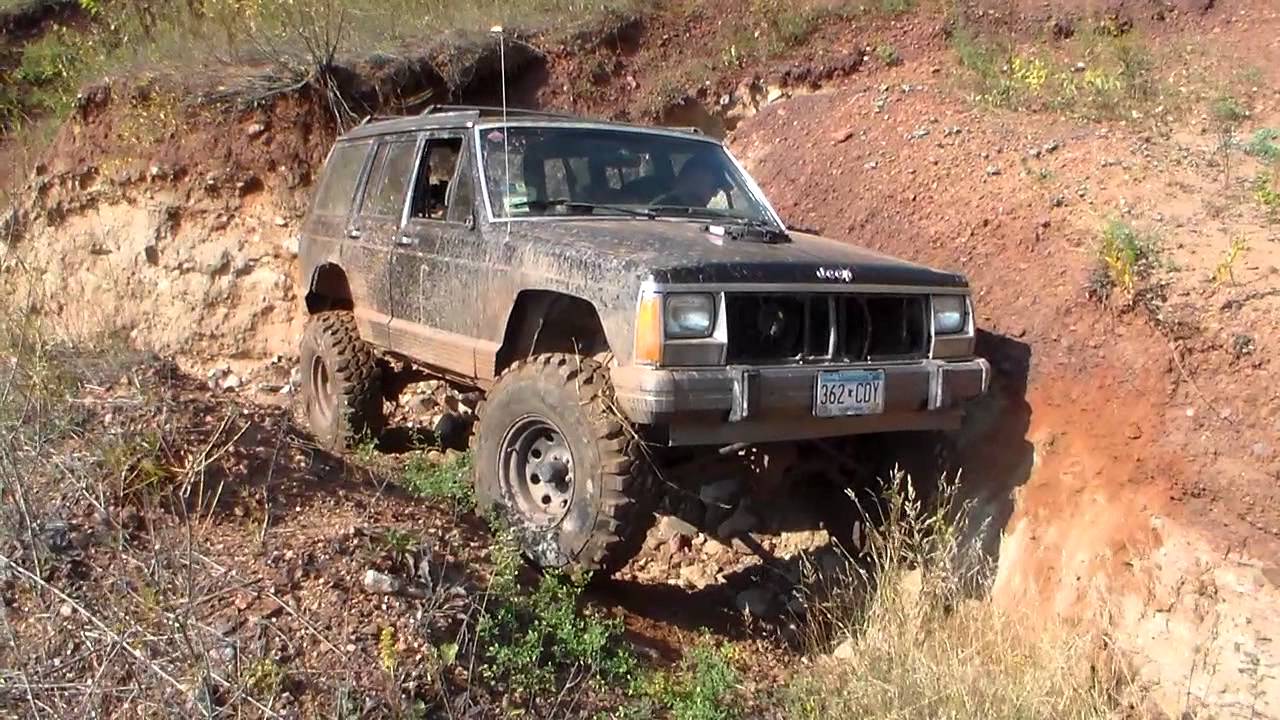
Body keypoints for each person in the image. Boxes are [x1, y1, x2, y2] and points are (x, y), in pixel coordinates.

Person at [650, 153, 729, 208]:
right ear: (695, 181)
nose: (715, 194)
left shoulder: (705, 216)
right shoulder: (662, 209)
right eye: (713, 187)